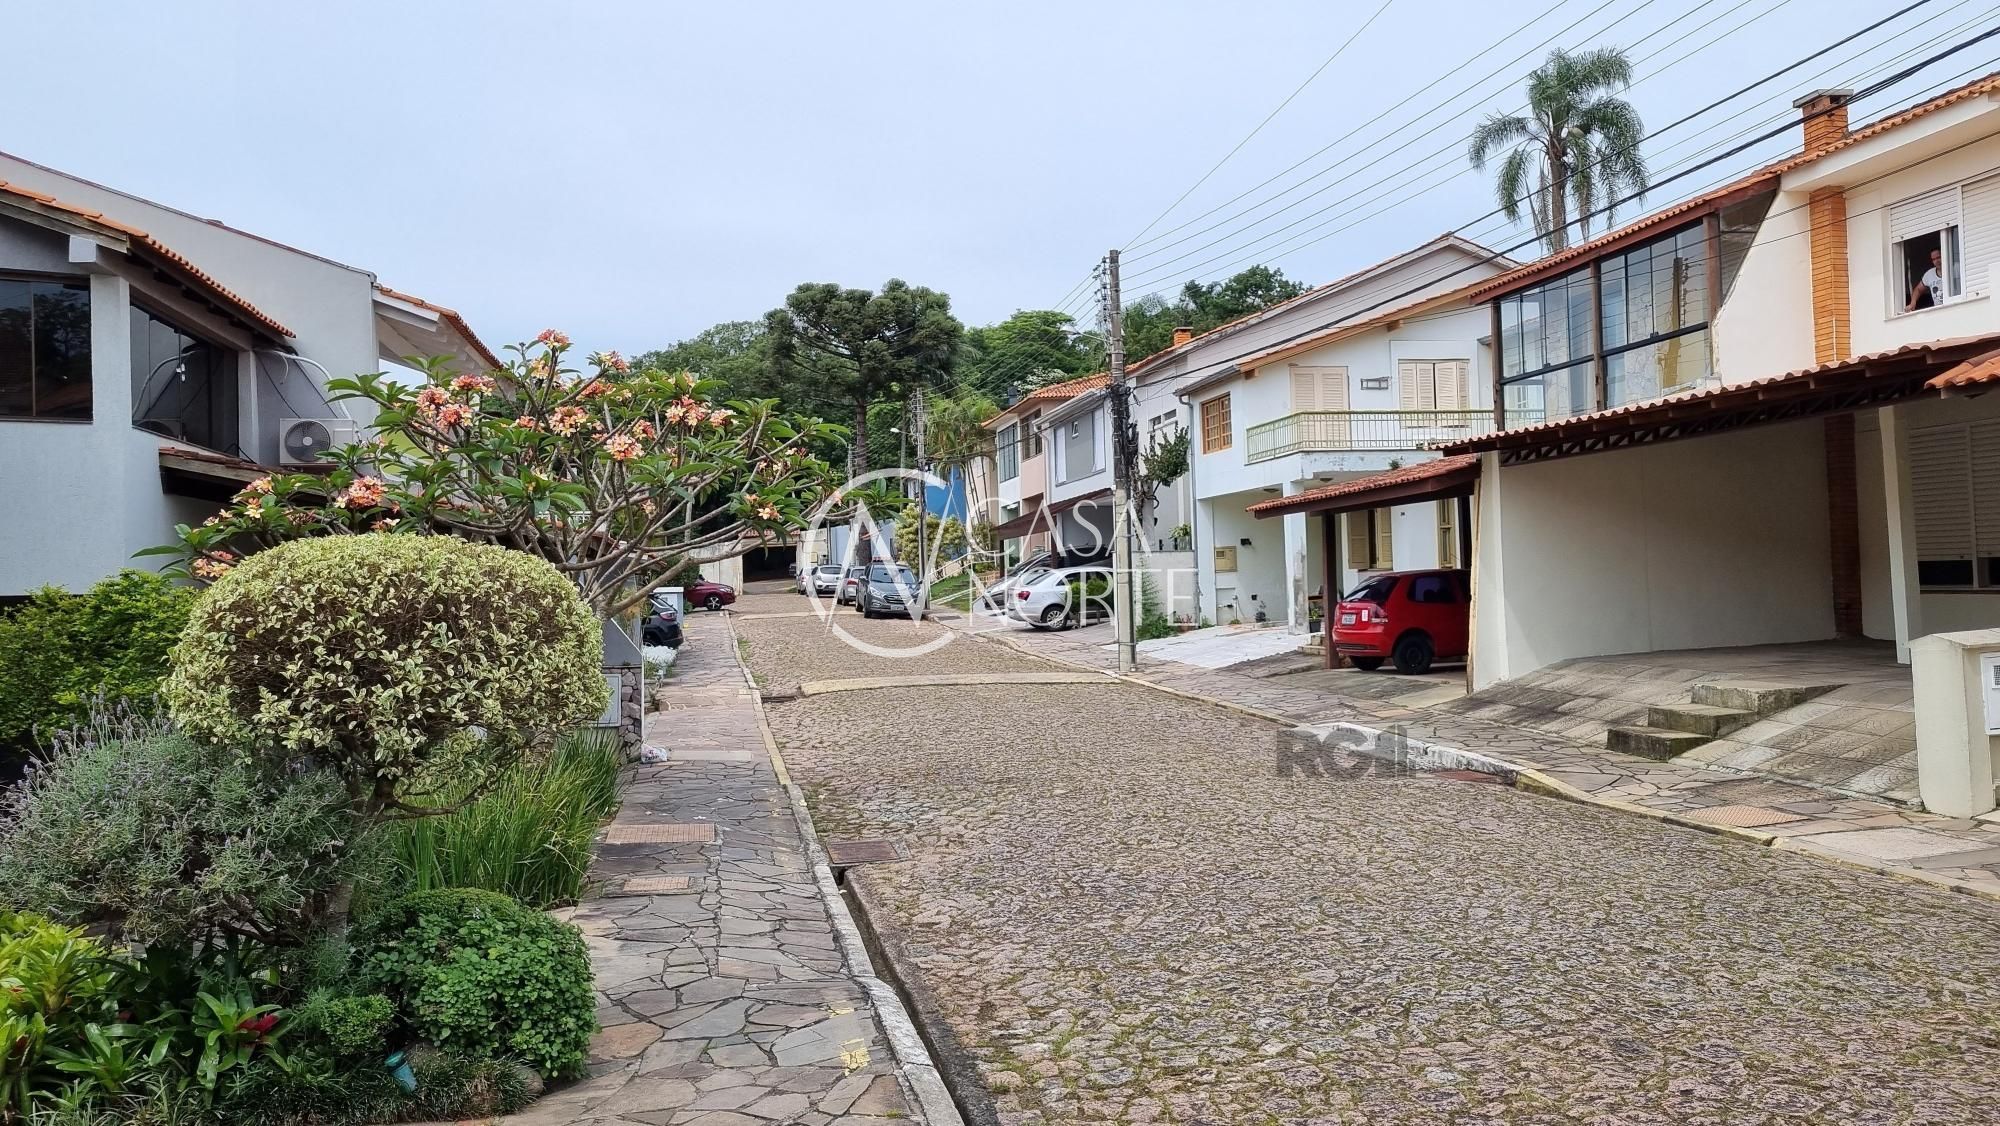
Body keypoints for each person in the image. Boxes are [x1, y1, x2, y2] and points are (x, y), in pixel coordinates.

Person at [1907, 246, 1945, 311]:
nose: (1937, 261)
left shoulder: (1954, 268)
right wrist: (1913, 303)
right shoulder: (1929, 274)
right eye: (1933, 259)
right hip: (1938, 310)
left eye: (1938, 257)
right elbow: (1918, 289)